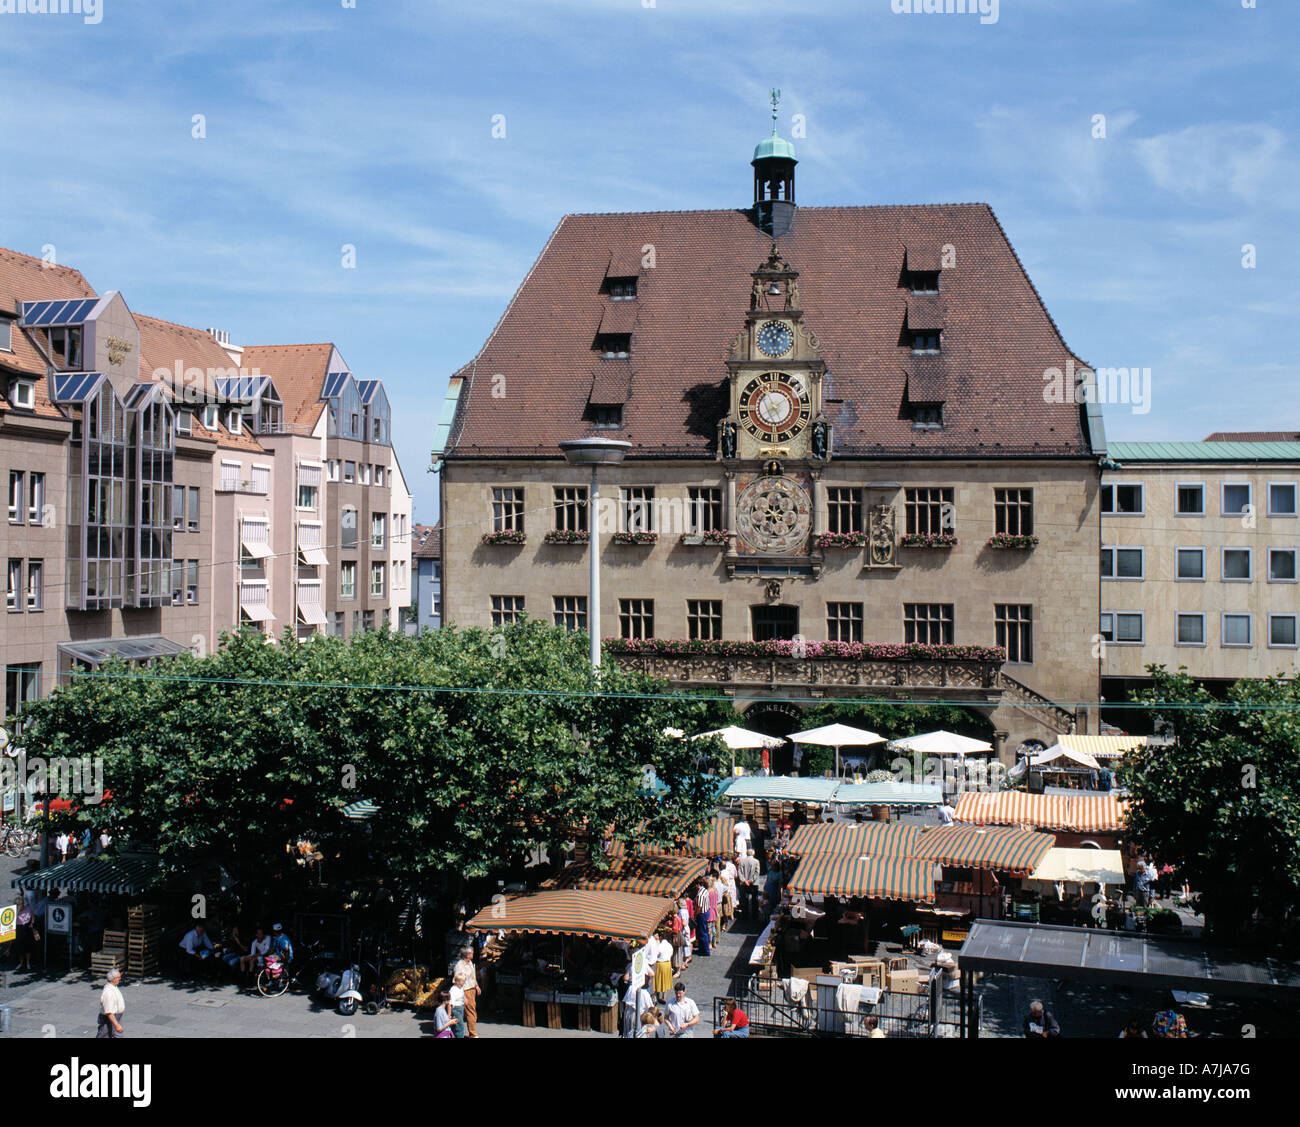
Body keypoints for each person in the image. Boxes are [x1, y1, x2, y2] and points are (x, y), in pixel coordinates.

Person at [453, 945, 480, 1038]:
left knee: (472, 1011)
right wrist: (463, 995)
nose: (473, 954)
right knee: (470, 1012)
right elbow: (457, 982)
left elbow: (473, 976)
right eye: (472, 953)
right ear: (467, 955)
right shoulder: (459, 966)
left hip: (472, 990)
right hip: (465, 991)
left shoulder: (470, 962)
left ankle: (472, 1032)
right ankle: (473, 1034)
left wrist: (477, 986)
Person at [97, 967, 125, 1038]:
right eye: (118, 977)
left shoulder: (113, 987)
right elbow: (109, 1012)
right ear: (113, 979)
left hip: (116, 1017)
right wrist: (117, 1025)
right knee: (105, 1034)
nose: (120, 979)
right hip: (110, 1019)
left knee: (107, 1034)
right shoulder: (108, 992)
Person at [13, 894, 38, 972]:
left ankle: (28, 963)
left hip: (27, 928)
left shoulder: (28, 909)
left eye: (22, 904)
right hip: (19, 929)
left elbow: (33, 916)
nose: (22, 905)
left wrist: (32, 922)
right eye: (20, 904)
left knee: (28, 947)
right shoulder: (14, 911)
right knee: (19, 947)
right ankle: (21, 962)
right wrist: (18, 911)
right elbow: (12, 921)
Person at [737, 848, 760, 918]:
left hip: (744, 884)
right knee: (754, 900)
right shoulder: (756, 861)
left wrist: (744, 880)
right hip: (754, 883)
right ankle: (754, 915)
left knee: (745, 899)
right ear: (753, 854)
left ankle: (745, 914)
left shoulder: (742, 861)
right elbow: (757, 872)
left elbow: (739, 872)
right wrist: (751, 880)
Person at [651, 931, 674, 1000]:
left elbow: (656, 954)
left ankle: (655, 997)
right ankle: (664, 997)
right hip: (668, 964)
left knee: (657, 980)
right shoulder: (670, 946)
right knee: (665, 980)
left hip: (660, 964)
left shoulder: (660, 946)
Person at [694, 882, 712, 956]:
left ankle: (705, 951)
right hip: (706, 911)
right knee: (703, 931)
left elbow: (699, 907)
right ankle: (702, 949)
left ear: (698, 885)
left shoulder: (700, 894)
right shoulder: (705, 890)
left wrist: (695, 915)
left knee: (702, 932)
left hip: (702, 914)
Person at [449, 972, 468, 1039]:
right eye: (462, 981)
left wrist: (465, 999)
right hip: (456, 1009)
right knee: (460, 1026)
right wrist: (450, 1013)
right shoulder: (453, 989)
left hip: (461, 1007)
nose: (463, 983)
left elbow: (462, 994)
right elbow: (450, 1002)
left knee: (457, 1025)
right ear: (457, 981)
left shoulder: (461, 988)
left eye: (464, 981)